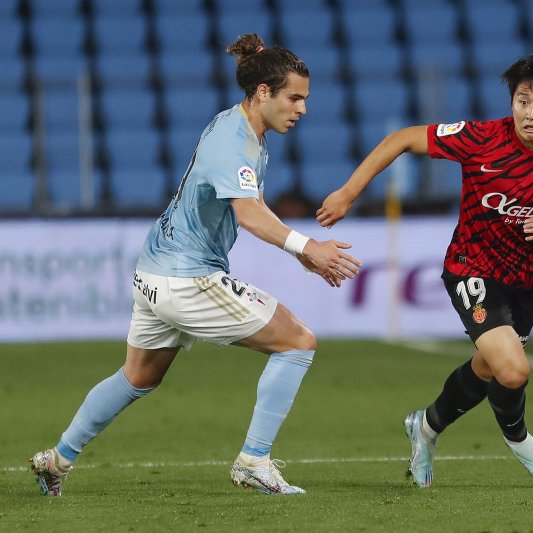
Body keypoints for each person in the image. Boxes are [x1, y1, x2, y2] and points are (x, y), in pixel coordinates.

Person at [29, 34, 361, 497]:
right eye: (295, 97)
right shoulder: (233, 140)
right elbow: (246, 214)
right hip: (187, 277)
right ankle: (254, 460)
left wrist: (300, 253)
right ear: (263, 92)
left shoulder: (239, 126)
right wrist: (308, 245)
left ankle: (56, 459)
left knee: (139, 375)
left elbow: (252, 201)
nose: (302, 109)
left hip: (153, 270)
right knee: (298, 342)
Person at [317, 53, 533, 488]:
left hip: (524, 280)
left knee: (487, 368)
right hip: (470, 267)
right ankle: (519, 439)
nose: (531, 113)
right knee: (514, 371)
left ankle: (425, 427)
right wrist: (349, 192)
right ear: (512, 103)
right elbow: (403, 138)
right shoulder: (481, 137)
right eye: (523, 101)